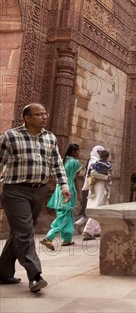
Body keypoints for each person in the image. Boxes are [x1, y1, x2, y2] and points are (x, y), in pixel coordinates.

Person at [0, 103, 71, 293]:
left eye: (45, 113)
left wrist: (63, 185)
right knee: (25, 233)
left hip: (38, 190)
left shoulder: (50, 138)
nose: (44, 117)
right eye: (39, 114)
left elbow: (56, 163)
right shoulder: (10, 136)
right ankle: (35, 276)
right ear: (27, 118)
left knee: (19, 233)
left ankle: (2, 272)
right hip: (15, 190)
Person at [40, 143, 83, 250]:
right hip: (68, 190)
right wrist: (80, 194)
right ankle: (49, 237)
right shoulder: (74, 162)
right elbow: (75, 179)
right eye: (78, 151)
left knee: (65, 213)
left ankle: (67, 239)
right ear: (73, 152)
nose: (79, 153)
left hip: (59, 190)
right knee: (65, 215)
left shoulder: (63, 161)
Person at [81, 149, 112, 241]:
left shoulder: (99, 162)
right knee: (98, 208)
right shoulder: (95, 162)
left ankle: (100, 230)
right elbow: (93, 173)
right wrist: (106, 177)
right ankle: (88, 231)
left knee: (105, 208)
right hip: (99, 187)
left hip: (102, 187)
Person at [74, 145, 104, 234]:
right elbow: (93, 174)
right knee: (92, 208)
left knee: (92, 208)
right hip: (91, 188)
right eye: (100, 152)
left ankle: (96, 230)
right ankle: (83, 226)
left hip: (88, 187)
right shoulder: (94, 161)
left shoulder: (91, 160)